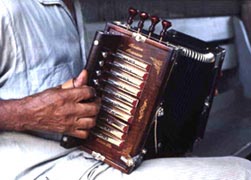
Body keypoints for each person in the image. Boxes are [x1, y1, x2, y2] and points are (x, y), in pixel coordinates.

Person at [0, 0, 250, 179]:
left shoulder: (71, 6)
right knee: (241, 172)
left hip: (91, 155)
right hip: (37, 167)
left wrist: (181, 94)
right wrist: (25, 112)